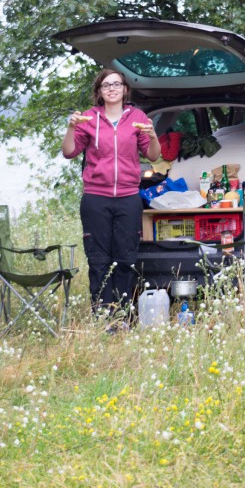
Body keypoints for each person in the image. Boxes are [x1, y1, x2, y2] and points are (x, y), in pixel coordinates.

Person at [62, 68, 161, 319]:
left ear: (125, 89)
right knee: (98, 260)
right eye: (106, 85)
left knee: (126, 258)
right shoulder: (88, 118)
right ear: (99, 92)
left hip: (128, 197)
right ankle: (102, 316)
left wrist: (152, 135)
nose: (112, 89)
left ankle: (123, 315)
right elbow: (69, 152)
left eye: (117, 84)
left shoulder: (137, 117)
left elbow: (153, 155)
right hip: (96, 198)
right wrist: (71, 128)